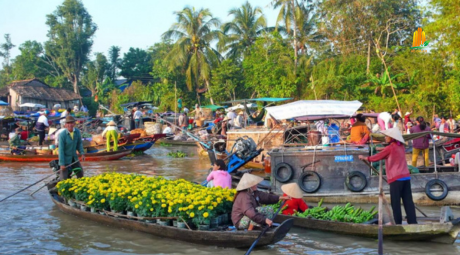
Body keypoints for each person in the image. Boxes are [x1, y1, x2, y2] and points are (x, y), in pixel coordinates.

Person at [359, 128, 417, 225]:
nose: (385, 138)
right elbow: (387, 151)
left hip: (396, 178)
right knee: (408, 201)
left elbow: (377, 157)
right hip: (406, 177)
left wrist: (365, 158)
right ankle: (413, 222)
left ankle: (397, 223)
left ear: (392, 138)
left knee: (395, 203)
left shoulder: (390, 148)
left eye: (387, 136)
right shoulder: (401, 146)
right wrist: (382, 149)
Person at [58, 116, 85, 180]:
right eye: (68, 123)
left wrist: (82, 153)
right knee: (63, 178)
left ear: (74, 124)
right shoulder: (62, 135)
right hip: (65, 159)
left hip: (74, 158)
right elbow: (61, 150)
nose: (70, 125)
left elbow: (79, 144)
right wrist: (62, 164)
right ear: (65, 125)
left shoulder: (77, 132)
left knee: (80, 173)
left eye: (71, 123)